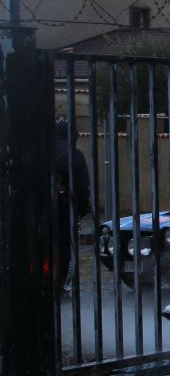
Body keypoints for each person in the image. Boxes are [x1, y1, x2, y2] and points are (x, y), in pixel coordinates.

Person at [52, 119, 91, 292]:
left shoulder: (41, 150)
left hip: (40, 212)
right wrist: (82, 209)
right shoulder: (74, 155)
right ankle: (59, 283)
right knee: (64, 247)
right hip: (64, 210)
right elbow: (82, 188)